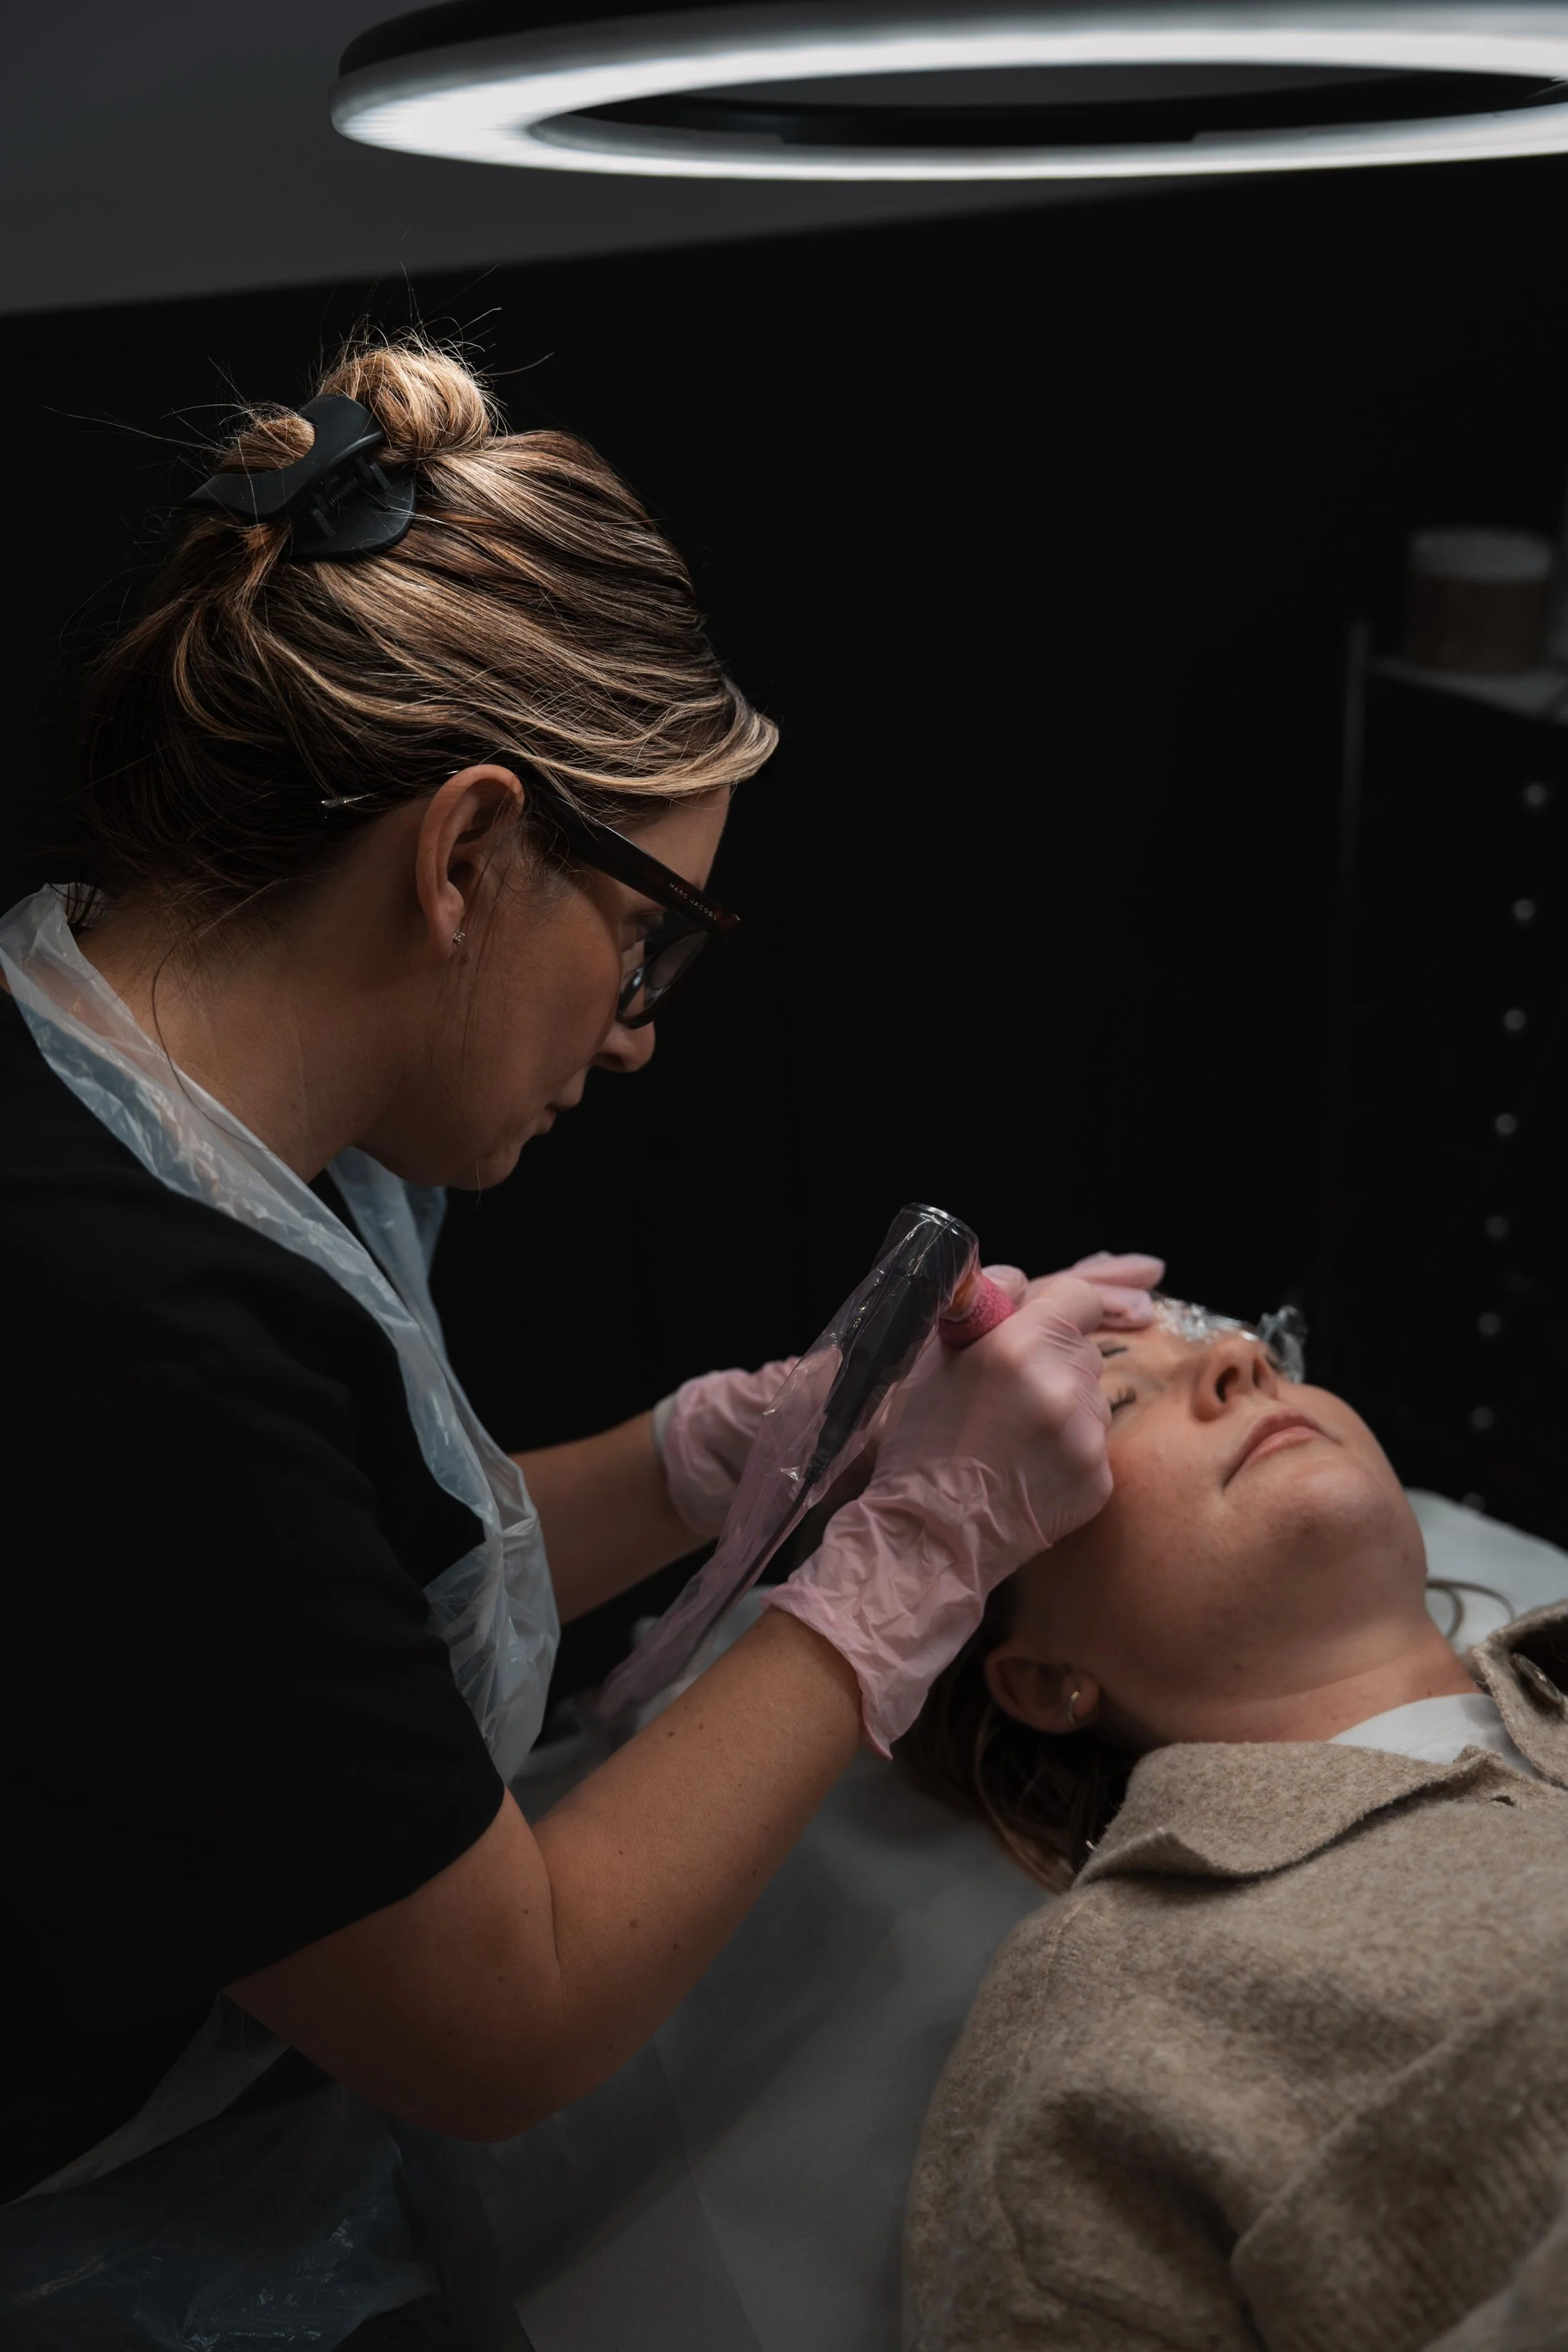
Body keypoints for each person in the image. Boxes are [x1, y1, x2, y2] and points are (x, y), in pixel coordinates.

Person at [0, 331, 1160, 2339]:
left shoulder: (139, 1090)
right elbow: (498, 2020)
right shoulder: (121, 1326)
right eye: (641, 942)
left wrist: (720, 1454)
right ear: (463, 853)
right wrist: (895, 1574)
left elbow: (283, 1611)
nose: (634, 1035)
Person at [902, 1300, 1568, 2352]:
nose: (1241, 1360)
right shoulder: (1115, 2013)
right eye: (1116, 1399)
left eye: (1230, 1340)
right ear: (1041, 1677)